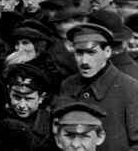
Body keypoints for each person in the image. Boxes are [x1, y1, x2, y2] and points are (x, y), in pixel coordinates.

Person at [57, 22, 138, 150]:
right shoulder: (67, 85)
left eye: (91, 52)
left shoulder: (130, 88)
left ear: (107, 52)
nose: (84, 61)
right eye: (79, 53)